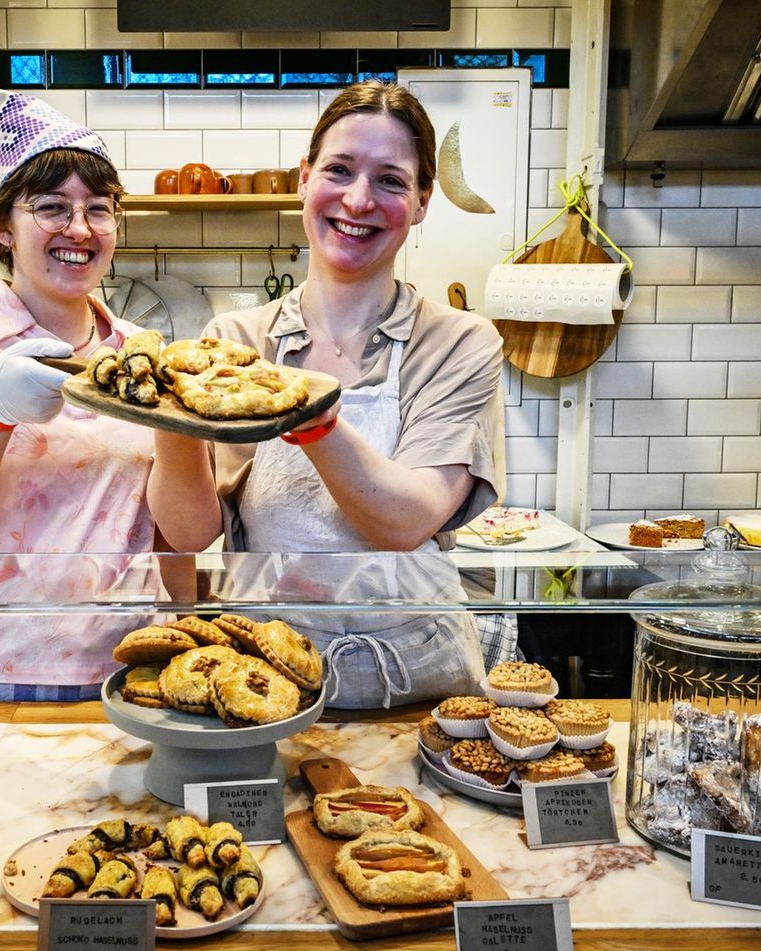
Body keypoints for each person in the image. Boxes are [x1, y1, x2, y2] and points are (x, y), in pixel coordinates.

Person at [148, 80, 513, 708]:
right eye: (339, 170)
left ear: (424, 201)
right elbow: (186, 531)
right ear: (304, 178)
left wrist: (306, 413)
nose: (359, 199)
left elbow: (404, 519)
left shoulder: (459, 343)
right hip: (263, 679)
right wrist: (165, 407)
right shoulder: (233, 341)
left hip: (419, 682)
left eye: (392, 181)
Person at [0, 93, 159, 701]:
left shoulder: (141, 355)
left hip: (125, 672)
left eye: (99, 208)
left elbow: (168, 533)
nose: (79, 228)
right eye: (50, 207)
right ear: (0, 227)